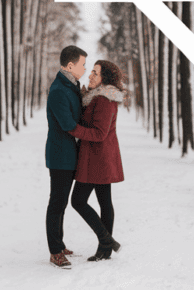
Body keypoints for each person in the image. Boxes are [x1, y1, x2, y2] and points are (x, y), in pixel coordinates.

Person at [69, 59, 126, 262]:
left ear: (105, 78)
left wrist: (73, 129)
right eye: (91, 71)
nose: (91, 75)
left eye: (96, 72)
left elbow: (100, 133)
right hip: (98, 156)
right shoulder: (96, 97)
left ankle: (106, 241)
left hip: (98, 158)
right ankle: (105, 249)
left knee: (78, 201)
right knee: (104, 201)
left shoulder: (104, 99)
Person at [45, 45, 87, 269]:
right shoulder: (59, 90)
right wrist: (92, 134)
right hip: (60, 155)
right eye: (83, 64)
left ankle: (59, 245)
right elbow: (68, 124)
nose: (85, 69)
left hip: (69, 154)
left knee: (61, 204)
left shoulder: (71, 85)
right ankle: (55, 252)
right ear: (70, 66)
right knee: (57, 203)